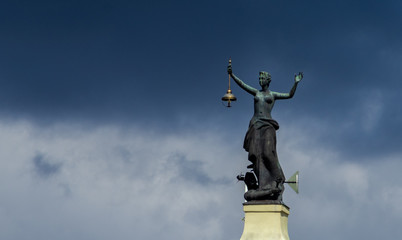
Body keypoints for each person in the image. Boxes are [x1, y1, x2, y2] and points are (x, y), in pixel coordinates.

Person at [228, 63, 303, 202]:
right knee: (256, 155)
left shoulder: (273, 95)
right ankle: (263, 183)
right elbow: (243, 84)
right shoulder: (256, 93)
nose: (260, 80)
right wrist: (232, 75)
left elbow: (290, 95)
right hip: (255, 124)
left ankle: (278, 178)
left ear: (268, 80)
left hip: (268, 124)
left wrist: (296, 83)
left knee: (268, 152)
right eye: (259, 78)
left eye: (263, 78)